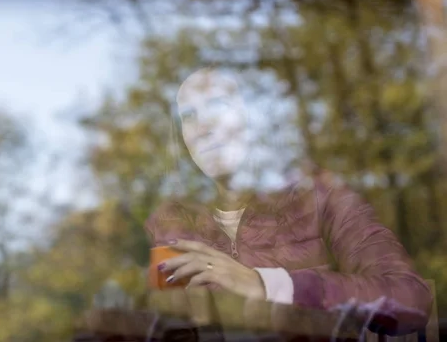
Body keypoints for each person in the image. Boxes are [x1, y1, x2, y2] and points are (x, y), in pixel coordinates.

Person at [144, 67, 432, 335]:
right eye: (189, 116)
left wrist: (265, 285)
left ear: (253, 117)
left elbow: (411, 299)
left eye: (218, 105)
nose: (202, 127)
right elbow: (174, 329)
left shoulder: (321, 198)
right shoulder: (174, 223)